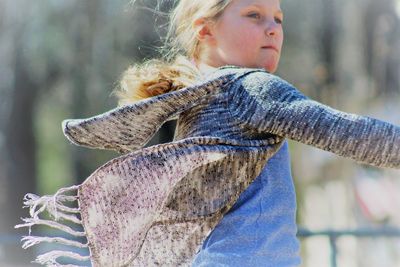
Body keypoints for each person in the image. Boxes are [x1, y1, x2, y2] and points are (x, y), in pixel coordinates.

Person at [16, 0, 400, 266]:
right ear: (206, 30)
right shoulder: (250, 88)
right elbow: (346, 133)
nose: (272, 29)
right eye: (254, 15)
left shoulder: (200, 99)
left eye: (278, 18)